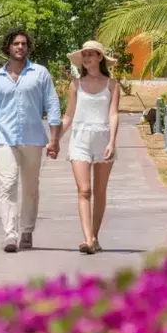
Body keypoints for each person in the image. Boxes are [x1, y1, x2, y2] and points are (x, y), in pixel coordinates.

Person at [0, 29, 63, 253]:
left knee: (30, 187)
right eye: (16, 43)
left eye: (24, 44)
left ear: (28, 47)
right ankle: (10, 234)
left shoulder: (40, 73)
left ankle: (26, 230)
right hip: (5, 139)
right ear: (8, 47)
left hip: (33, 139)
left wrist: (54, 139)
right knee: (7, 184)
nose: (20, 47)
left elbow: (52, 105)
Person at [61, 40, 121, 254]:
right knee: (84, 190)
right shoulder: (75, 85)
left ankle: (94, 237)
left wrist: (112, 142)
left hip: (103, 139)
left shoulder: (112, 85)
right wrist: (54, 139)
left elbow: (114, 114)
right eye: (84, 55)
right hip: (80, 140)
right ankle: (87, 239)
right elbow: (68, 117)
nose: (86, 58)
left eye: (91, 54)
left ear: (99, 58)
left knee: (100, 191)